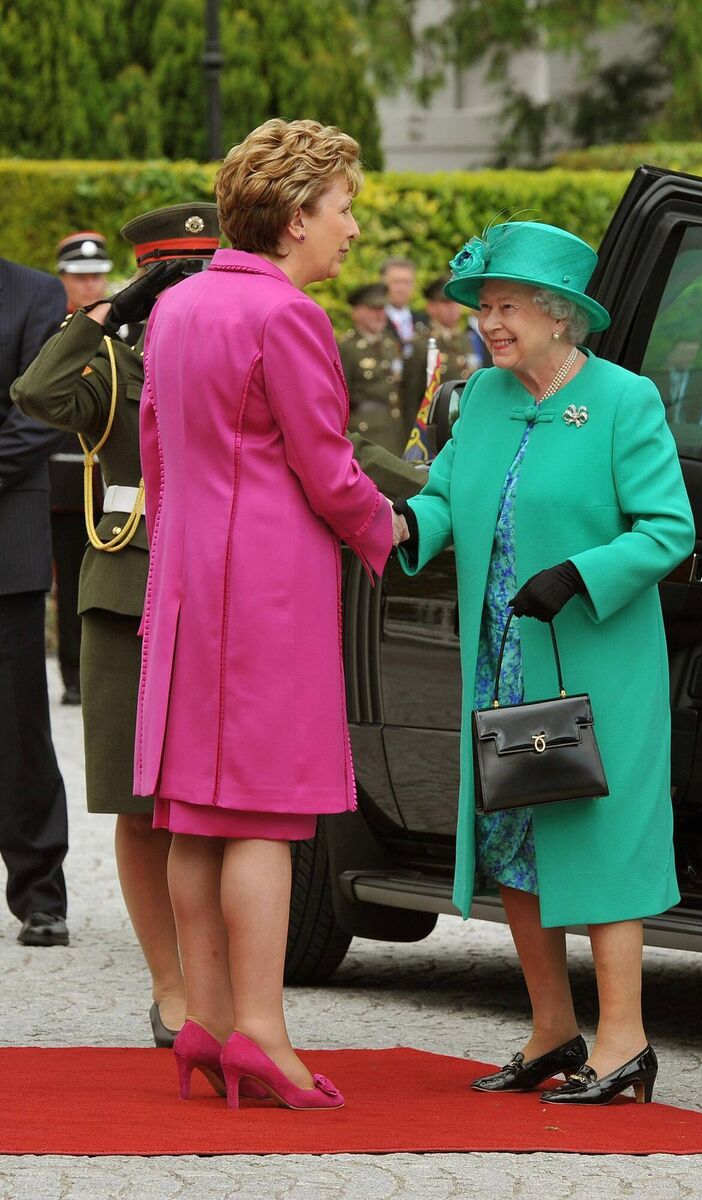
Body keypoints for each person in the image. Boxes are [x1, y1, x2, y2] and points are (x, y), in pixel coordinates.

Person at [134, 118, 408, 1111]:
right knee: (259, 814)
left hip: (188, 576)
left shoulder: (178, 305)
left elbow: (157, 454)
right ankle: (259, 1031)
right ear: (296, 217)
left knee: (196, 815)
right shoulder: (288, 316)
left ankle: (203, 1021)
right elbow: (329, 470)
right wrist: (395, 533)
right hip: (267, 588)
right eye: (342, 210)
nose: (350, 231)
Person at [394, 220, 695, 1106]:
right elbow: (443, 495)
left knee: (595, 840)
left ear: (560, 316)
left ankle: (625, 1040)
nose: (489, 321)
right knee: (511, 841)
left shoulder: (621, 400)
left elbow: (667, 528)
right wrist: (398, 526)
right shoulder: (484, 396)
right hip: (500, 665)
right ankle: (552, 1029)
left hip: (590, 664)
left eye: (507, 306)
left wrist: (579, 573)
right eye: (484, 306)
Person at [13, 203, 221, 1042]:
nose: (187, 289)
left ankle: (225, 980)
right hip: (127, 586)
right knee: (138, 805)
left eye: (201, 270)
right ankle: (170, 987)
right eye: (173, 274)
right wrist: (108, 314)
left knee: (216, 803)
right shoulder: (109, 364)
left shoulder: (244, 344)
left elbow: (332, 441)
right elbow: (35, 392)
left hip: (219, 586)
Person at [0, 256, 70, 947]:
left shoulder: (33, 293)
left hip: (5, 546)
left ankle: (40, 895)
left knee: (19, 732)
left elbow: (39, 412)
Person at [50, 231, 114, 705]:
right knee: (70, 582)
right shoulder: (49, 329)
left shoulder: (122, 330)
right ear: (63, 279)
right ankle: (74, 676)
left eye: (97, 276)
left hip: (112, 482)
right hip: (63, 482)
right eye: (80, 277)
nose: (90, 286)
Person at [338, 283, 406, 455]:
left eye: (382, 308)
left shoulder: (390, 344)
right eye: (373, 308)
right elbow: (340, 399)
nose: (380, 314)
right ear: (356, 312)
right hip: (365, 434)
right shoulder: (347, 348)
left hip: (394, 428)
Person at [402, 275, 480, 420]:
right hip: (436, 424)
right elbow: (410, 398)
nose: (452, 307)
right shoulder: (422, 344)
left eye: (455, 302)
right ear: (431, 307)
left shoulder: (465, 338)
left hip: (464, 420)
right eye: (445, 302)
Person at [381, 256, 428, 348]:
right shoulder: (377, 320)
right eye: (396, 282)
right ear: (383, 284)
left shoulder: (424, 320)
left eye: (406, 282)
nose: (402, 289)